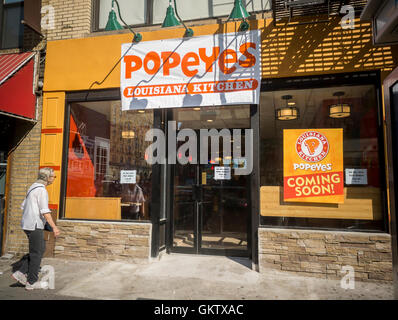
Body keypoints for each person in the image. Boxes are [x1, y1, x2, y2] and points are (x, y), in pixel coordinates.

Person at [11, 167, 60, 290]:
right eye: (53, 176)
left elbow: (23, 206)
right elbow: (45, 212)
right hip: (34, 225)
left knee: (39, 249)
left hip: (27, 224)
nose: (54, 178)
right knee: (37, 253)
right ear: (47, 178)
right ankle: (31, 282)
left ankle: (21, 273)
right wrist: (54, 227)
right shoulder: (42, 190)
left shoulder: (32, 186)